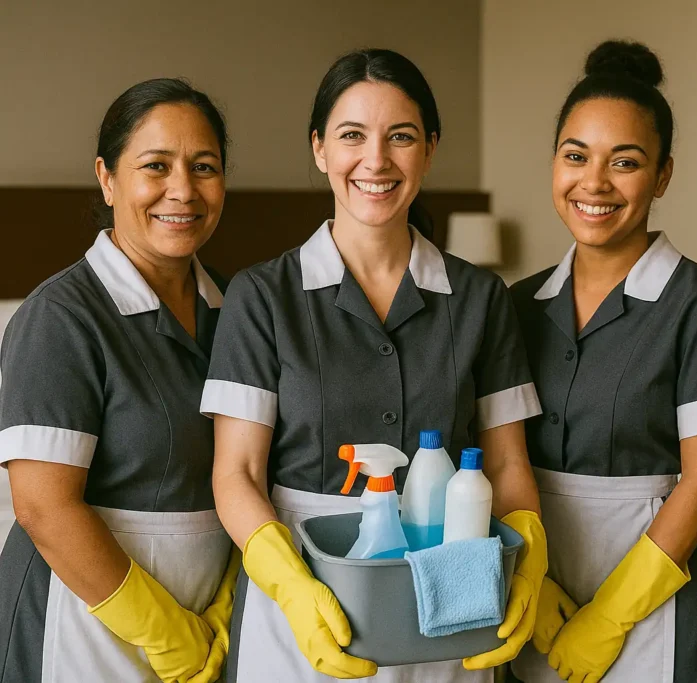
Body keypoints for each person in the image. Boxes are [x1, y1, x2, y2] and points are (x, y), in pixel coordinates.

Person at [202, 48, 547, 682]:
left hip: (445, 597)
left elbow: (505, 464)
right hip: (299, 610)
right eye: (352, 135)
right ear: (319, 149)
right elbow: (237, 473)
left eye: (402, 137)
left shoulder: (479, 300)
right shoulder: (262, 296)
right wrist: (292, 590)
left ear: (430, 149)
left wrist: (526, 568)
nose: (377, 160)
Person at [509, 41, 697, 683]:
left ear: (663, 175)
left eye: (626, 162)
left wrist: (611, 615)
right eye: (576, 156)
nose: (595, 182)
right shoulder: (518, 306)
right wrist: (527, 578)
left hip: (653, 604)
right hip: (536, 594)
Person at [0, 78, 239, 682]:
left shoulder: (238, 312)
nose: (182, 190)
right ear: (107, 178)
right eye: (155, 166)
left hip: (210, 621)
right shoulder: (63, 317)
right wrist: (163, 631)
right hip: (81, 624)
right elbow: (42, 507)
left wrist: (227, 605)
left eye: (203, 167)